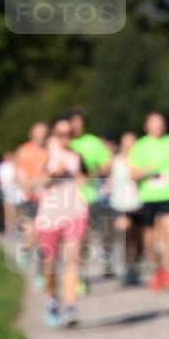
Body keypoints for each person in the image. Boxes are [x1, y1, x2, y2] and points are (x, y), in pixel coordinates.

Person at [34, 118, 89, 327]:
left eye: (69, 133)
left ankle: (71, 306)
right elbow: (29, 183)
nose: (65, 137)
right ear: (53, 134)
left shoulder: (76, 156)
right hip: (49, 214)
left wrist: (77, 175)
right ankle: (52, 299)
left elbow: (86, 179)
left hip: (75, 210)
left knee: (72, 259)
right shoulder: (44, 153)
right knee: (51, 263)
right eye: (60, 133)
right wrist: (50, 174)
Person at [128, 112, 169, 291]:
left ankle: (168, 269)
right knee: (149, 239)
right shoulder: (140, 146)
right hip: (148, 196)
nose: (157, 127)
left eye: (160, 123)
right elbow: (132, 173)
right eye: (154, 124)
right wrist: (146, 172)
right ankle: (156, 269)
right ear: (147, 127)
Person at [67, 109, 113, 284]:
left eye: (80, 121)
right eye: (74, 121)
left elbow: (107, 167)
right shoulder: (63, 143)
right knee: (70, 241)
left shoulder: (93, 142)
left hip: (88, 197)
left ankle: (80, 272)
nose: (77, 125)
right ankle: (73, 272)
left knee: (82, 237)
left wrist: (93, 171)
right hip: (65, 199)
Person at [107, 132, 143, 286]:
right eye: (127, 142)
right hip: (120, 202)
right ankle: (128, 266)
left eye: (133, 142)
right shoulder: (115, 161)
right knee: (126, 233)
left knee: (138, 238)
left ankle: (134, 265)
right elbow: (109, 177)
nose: (130, 145)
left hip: (139, 202)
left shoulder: (141, 160)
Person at [15, 122, 49, 280]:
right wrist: (27, 185)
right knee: (32, 236)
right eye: (38, 132)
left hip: (47, 198)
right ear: (32, 133)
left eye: (44, 132)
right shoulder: (24, 150)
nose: (41, 135)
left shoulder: (49, 151)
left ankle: (40, 273)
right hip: (29, 198)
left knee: (44, 239)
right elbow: (17, 176)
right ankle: (26, 251)